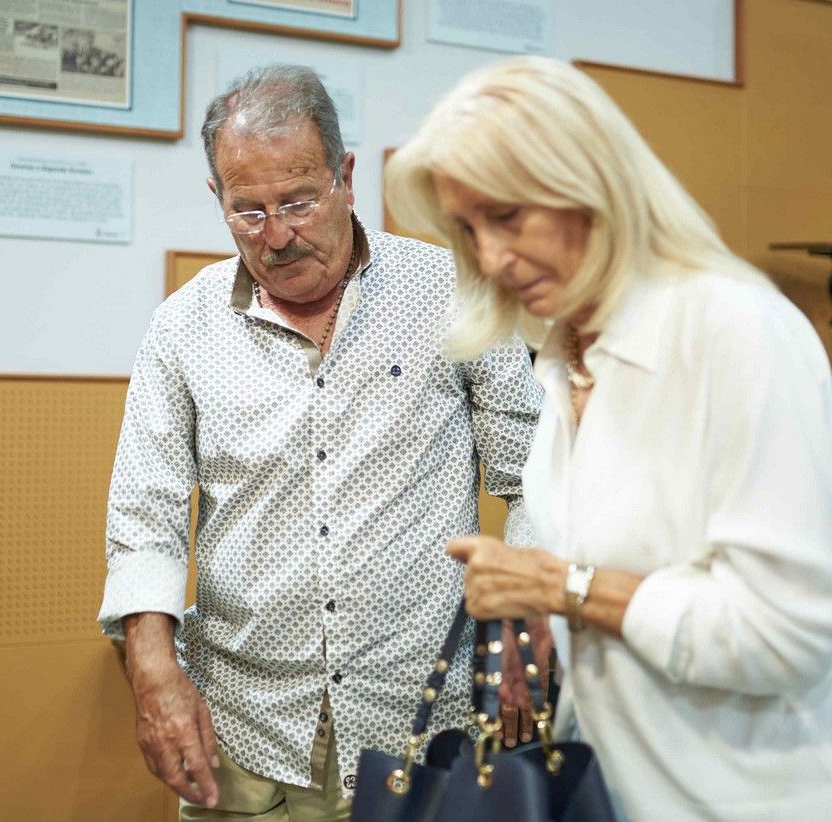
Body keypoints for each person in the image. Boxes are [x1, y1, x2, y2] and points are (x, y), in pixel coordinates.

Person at [385, 55, 832, 822]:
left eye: (508, 216)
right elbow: (633, 561)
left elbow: (783, 634)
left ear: (591, 185)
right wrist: (547, 624)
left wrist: (561, 588)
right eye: (467, 229)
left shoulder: (733, 331)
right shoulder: (565, 358)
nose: (487, 257)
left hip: (796, 793)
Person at [96, 64, 542, 821]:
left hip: (418, 725)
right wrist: (153, 672)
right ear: (217, 198)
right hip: (242, 728)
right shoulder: (182, 326)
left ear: (345, 176)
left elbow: (534, 475)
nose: (275, 236)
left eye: (297, 202)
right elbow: (146, 517)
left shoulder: (453, 292)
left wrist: (523, 624)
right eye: (247, 211)